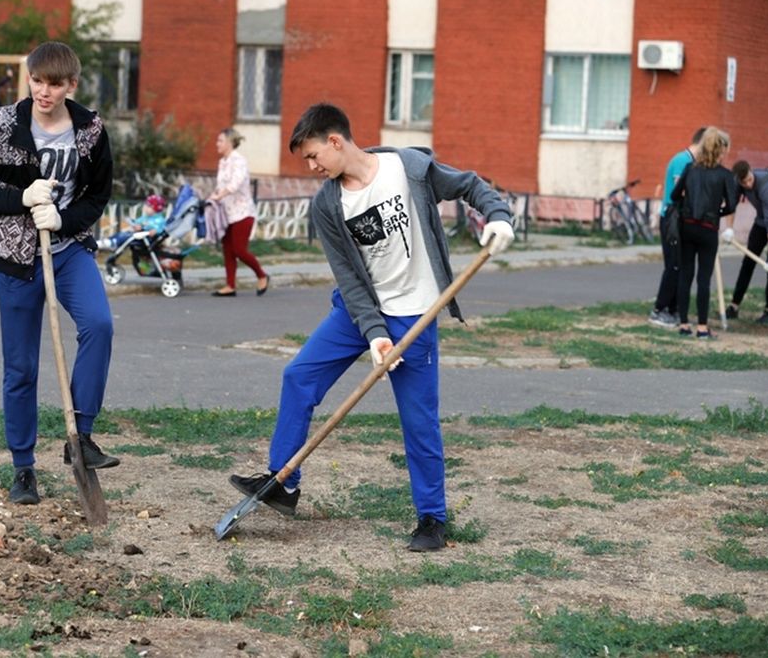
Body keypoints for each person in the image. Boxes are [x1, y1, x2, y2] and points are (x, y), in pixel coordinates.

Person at [228, 103, 514, 551]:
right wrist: (375, 334)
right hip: (357, 312)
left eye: (313, 156)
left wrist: (498, 217)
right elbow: (348, 276)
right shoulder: (328, 203)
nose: (312, 167)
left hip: (415, 315)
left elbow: (471, 186)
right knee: (298, 376)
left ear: (336, 141)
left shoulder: (411, 170)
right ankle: (283, 482)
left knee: (418, 419)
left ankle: (432, 519)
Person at [0, 41, 119, 506]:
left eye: (54, 83)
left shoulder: (89, 130)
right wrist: (21, 200)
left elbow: (98, 194)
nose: (44, 91)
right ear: (28, 78)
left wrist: (64, 221)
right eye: (37, 80)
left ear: (71, 85)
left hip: (67, 250)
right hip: (15, 256)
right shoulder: (0, 125)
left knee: (100, 325)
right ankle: (23, 468)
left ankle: (80, 436)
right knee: (22, 367)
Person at [670, 126, 737, 339]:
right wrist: (717, 212)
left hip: (687, 226)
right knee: (703, 279)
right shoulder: (725, 175)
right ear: (720, 150)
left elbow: (674, 195)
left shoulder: (690, 169)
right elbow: (732, 205)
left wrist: (685, 206)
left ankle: (683, 324)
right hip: (708, 229)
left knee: (685, 274)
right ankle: (701, 327)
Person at [648, 127, 706, 328]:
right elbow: (679, 194)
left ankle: (673, 309)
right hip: (672, 220)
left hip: (681, 220)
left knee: (680, 266)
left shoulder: (691, 162)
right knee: (673, 265)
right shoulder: (683, 161)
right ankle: (659, 309)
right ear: (702, 143)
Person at [207, 128, 269, 297]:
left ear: (229, 142)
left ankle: (262, 275)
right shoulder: (223, 162)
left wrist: (220, 194)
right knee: (227, 250)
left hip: (243, 212)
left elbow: (236, 183)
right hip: (227, 213)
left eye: (220, 141)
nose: (217, 144)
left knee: (239, 250)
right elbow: (221, 186)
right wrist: (212, 197)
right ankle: (230, 285)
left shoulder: (239, 160)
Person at [726, 160, 768, 325]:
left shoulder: (766, 186)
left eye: (749, 180)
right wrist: (729, 229)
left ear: (751, 172)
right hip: (761, 222)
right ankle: (734, 306)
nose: (747, 184)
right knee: (748, 262)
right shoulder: (738, 182)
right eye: (743, 182)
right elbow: (732, 204)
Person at [99, 194, 167, 251]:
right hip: (138, 235)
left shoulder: (159, 220)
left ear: (156, 208)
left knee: (126, 236)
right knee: (122, 233)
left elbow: (160, 228)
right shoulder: (145, 217)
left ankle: (113, 243)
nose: (145, 207)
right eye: (146, 205)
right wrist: (135, 224)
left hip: (145, 238)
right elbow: (138, 222)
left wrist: (154, 231)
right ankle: (109, 240)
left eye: (149, 206)